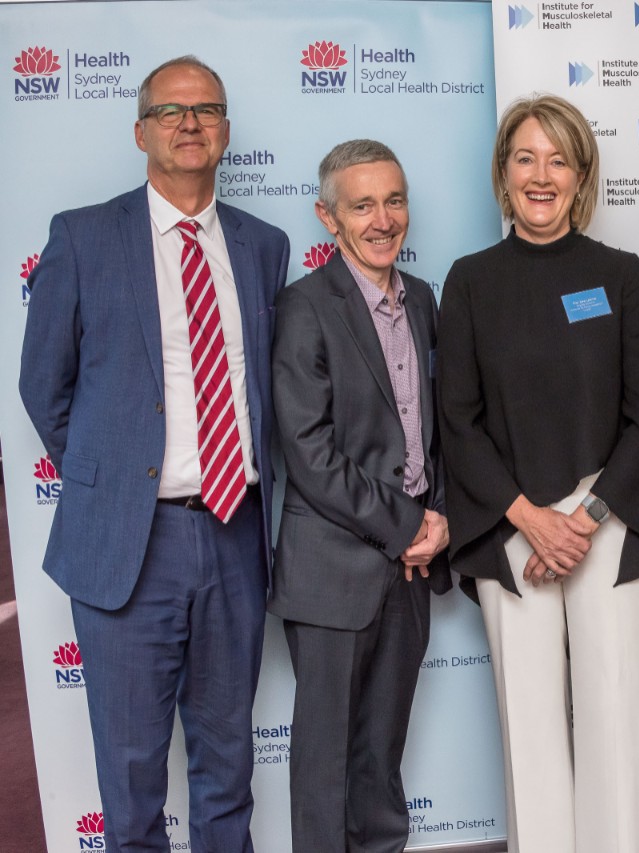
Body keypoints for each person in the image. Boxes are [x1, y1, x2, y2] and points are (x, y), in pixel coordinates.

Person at [18, 56, 289, 851]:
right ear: (141, 131)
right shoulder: (84, 236)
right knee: (131, 782)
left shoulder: (263, 245)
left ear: (227, 130)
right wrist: (114, 483)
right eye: (170, 112)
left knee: (227, 768)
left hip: (236, 535)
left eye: (206, 108)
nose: (190, 123)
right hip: (129, 545)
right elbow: (45, 388)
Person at [437, 94, 639, 853]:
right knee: (530, 729)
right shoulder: (468, 281)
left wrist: (585, 518)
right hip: (512, 531)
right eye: (526, 157)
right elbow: (458, 421)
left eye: (558, 158)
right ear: (504, 173)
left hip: (609, 520)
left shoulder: (622, 275)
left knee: (620, 719)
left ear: (581, 173)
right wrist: (530, 518)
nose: (542, 175)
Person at [268, 140, 450, 852]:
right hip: (333, 572)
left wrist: (440, 525)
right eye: (363, 204)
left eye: (395, 200)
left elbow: (437, 433)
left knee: (381, 760)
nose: (383, 219)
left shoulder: (427, 300)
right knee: (325, 767)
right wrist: (407, 524)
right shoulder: (304, 307)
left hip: (410, 570)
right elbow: (309, 453)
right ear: (328, 216)